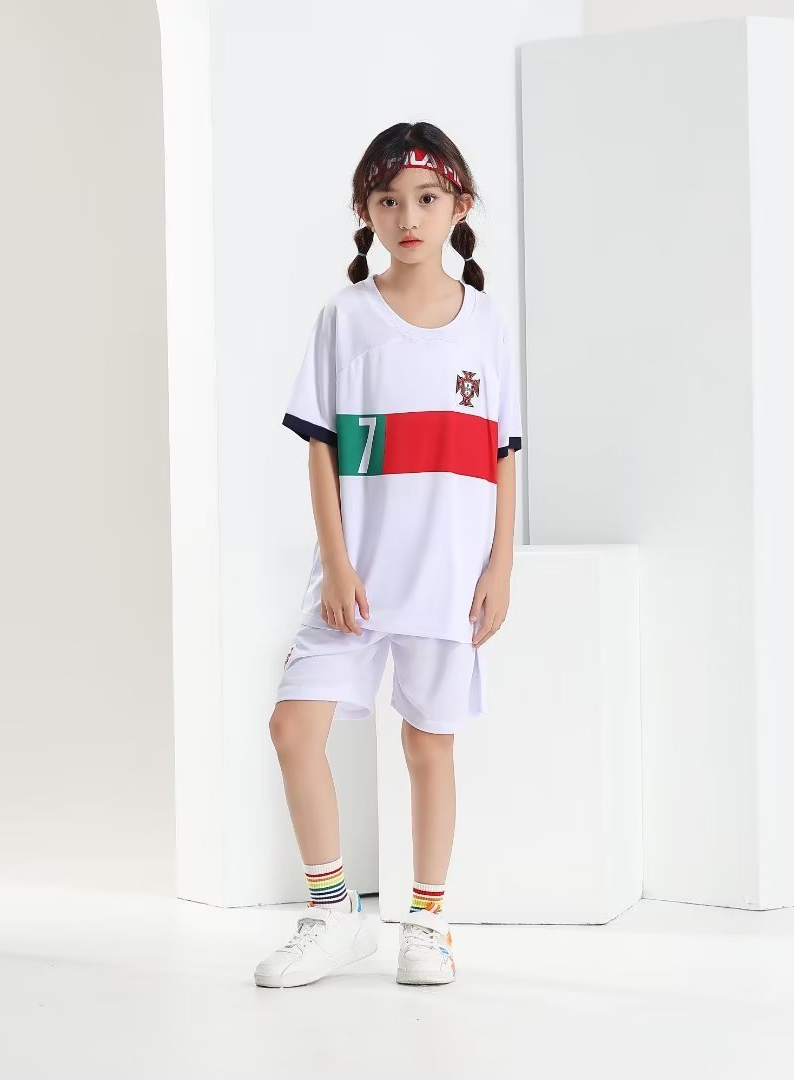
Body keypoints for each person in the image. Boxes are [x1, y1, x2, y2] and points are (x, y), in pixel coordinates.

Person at [253, 121, 523, 990]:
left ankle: (428, 924)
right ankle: (334, 914)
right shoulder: (346, 318)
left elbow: (502, 454)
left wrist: (500, 568)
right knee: (294, 727)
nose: (408, 217)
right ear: (365, 213)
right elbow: (322, 446)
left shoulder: (487, 326)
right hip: (357, 580)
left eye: (427, 198)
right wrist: (336, 565)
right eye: (388, 200)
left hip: (447, 579)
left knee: (428, 746)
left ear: (459, 207)